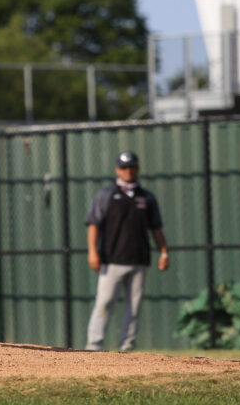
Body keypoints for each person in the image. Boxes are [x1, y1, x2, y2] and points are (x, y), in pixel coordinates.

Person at [84, 151, 168, 352]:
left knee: (134, 306)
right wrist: (92, 252)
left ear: (137, 168)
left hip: (139, 259)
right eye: (124, 167)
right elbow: (93, 225)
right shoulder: (106, 195)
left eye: (131, 167)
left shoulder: (146, 197)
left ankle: (127, 346)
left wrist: (164, 252)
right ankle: (93, 346)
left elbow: (156, 228)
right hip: (112, 260)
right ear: (117, 170)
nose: (128, 171)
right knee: (104, 303)